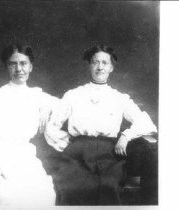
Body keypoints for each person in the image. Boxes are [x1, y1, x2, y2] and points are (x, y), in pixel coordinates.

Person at [44, 44, 158, 205]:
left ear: (111, 67)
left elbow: (146, 122)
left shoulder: (119, 98)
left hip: (109, 155)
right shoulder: (73, 95)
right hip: (76, 155)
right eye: (95, 62)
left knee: (108, 186)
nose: (99, 67)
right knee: (71, 187)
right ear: (89, 65)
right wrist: (69, 144)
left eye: (104, 63)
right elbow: (52, 126)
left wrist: (125, 136)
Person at [0, 44, 58, 207]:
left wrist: (47, 108)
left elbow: (64, 105)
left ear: (30, 67)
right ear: (7, 67)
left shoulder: (37, 95)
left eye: (23, 63)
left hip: (24, 157)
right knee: (7, 197)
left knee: (43, 194)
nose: (19, 69)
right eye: (13, 64)